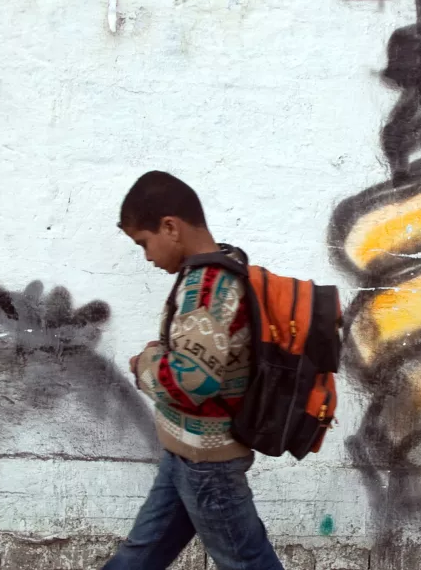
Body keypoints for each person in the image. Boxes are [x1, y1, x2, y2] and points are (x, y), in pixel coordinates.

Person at [104, 170, 284, 570]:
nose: (146, 256)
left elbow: (192, 381)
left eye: (144, 243)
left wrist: (144, 364)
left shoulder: (208, 287)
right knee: (141, 554)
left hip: (207, 464)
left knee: (247, 562)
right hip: (185, 451)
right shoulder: (224, 264)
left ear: (170, 227)